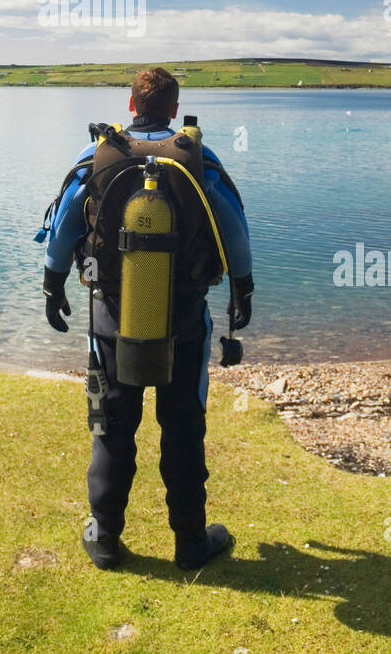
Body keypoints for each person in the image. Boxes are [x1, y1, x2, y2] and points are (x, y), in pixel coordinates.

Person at [39, 66, 254, 571]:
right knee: (183, 427)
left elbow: (64, 225)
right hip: (184, 323)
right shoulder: (197, 158)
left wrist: (53, 287)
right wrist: (242, 292)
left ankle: (108, 540)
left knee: (112, 428)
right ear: (174, 110)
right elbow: (235, 230)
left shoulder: (100, 155)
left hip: (111, 322)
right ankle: (190, 543)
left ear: (131, 106)